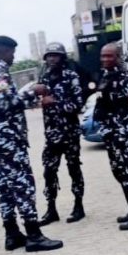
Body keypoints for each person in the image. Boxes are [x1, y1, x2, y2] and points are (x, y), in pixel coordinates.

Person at [0, 35, 63, 252]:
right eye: (12, 53)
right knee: (23, 183)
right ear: (4, 51)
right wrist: (35, 96)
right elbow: (9, 101)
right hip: (7, 139)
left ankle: (12, 233)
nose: (13, 58)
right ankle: (34, 235)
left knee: (5, 186)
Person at [94, 43, 128, 230]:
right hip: (110, 134)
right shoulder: (104, 77)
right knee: (119, 172)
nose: (105, 59)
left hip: (122, 134)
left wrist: (127, 132)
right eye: (103, 56)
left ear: (118, 57)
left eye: (109, 56)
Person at [37, 42, 85, 226]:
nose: (51, 58)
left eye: (55, 55)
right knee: (49, 171)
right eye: (49, 55)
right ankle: (51, 209)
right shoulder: (44, 77)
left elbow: (78, 104)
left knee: (74, 168)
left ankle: (78, 206)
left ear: (62, 58)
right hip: (51, 134)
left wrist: (54, 102)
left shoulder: (71, 76)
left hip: (70, 133)